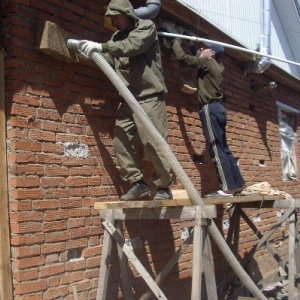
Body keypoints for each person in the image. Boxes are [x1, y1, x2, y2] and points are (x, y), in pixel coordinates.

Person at [78, 0, 173, 200]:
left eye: (117, 16)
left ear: (127, 14)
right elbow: (111, 61)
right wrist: (92, 55)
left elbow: (132, 46)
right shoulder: (117, 38)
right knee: (120, 140)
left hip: (149, 97)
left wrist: (101, 46)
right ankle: (138, 183)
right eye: (111, 18)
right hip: (128, 97)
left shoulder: (146, 27)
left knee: (153, 142)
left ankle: (164, 187)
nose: (114, 21)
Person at [171, 38, 245, 197]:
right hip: (219, 110)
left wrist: (174, 42)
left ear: (211, 53)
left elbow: (184, 59)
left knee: (216, 148)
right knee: (224, 148)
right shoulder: (217, 65)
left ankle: (226, 188)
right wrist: (192, 44)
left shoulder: (207, 62)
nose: (202, 48)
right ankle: (238, 184)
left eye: (205, 48)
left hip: (209, 109)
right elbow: (199, 55)